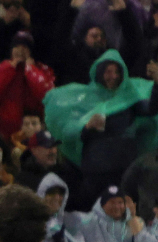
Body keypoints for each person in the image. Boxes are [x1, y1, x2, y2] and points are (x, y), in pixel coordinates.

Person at [47, 49, 158, 207]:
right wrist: (86, 127)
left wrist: (157, 85)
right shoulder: (85, 99)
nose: (112, 76)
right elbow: (70, 133)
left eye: (116, 72)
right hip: (96, 171)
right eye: (108, 71)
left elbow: (151, 109)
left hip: (124, 169)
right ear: (99, 72)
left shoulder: (129, 98)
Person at [0, 32, 56, 140]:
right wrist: (9, 68)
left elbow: (46, 95)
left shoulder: (41, 69)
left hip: (33, 133)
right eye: (16, 46)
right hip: (5, 132)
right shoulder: (2, 68)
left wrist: (30, 69)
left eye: (25, 47)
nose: (20, 50)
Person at [16, 131, 83, 193]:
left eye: (55, 146)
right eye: (48, 147)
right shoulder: (24, 180)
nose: (53, 151)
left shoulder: (67, 172)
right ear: (34, 150)